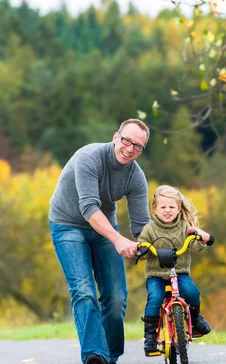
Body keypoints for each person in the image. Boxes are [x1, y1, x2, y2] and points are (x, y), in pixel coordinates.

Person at [49, 119, 151, 364]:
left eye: (138, 146)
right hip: (68, 225)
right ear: (116, 137)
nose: (130, 149)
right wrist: (118, 240)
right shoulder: (89, 157)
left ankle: (110, 357)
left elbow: (141, 226)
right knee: (83, 291)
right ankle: (95, 355)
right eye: (127, 141)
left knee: (116, 298)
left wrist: (163, 240)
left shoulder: (136, 177)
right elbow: (88, 207)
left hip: (105, 228)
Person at [138, 185, 212, 356]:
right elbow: (141, 245)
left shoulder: (185, 227)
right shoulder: (149, 229)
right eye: (163, 207)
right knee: (155, 298)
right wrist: (140, 249)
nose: (167, 210)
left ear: (179, 209)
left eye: (171, 207)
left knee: (191, 292)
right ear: (154, 209)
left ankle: (194, 320)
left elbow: (194, 245)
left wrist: (201, 240)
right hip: (156, 275)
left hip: (180, 273)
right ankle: (150, 337)